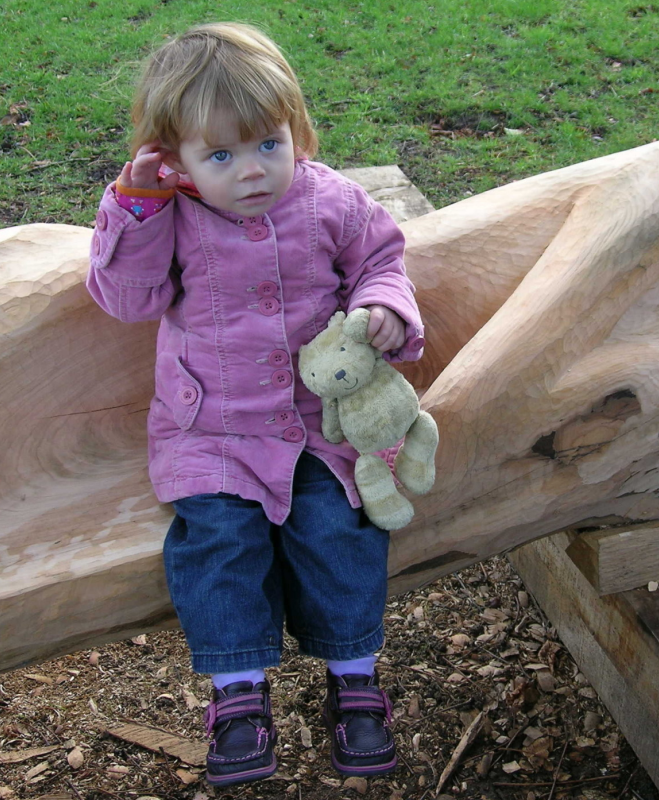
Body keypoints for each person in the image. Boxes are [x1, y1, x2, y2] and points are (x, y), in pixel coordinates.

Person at [85, 22, 424, 786]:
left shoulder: (331, 199)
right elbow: (127, 301)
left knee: (341, 527)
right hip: (210, 428)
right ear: (175, 162)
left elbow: (381, 259)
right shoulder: (164, 216)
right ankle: (237, 691)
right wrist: (134, 206)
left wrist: (385, 310)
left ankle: (355, 675)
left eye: (268, 144)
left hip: (315, 424)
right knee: (217, 541)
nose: (251, 172)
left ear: (294, 130)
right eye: (221, 156)